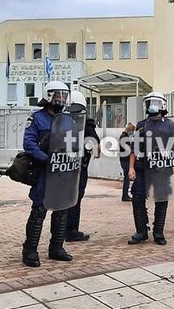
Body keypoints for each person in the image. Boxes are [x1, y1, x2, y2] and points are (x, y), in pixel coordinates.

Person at [21, 81, 74, 266]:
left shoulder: (68, 119)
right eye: (58, 95)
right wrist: (47, 159)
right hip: (44, 171)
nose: (61, 99)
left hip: (63, 172)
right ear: (49, 96)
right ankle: (30, 250)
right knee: (39, 211)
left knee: (61, 209)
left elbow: (74, 142)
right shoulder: (37, 118)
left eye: (64, 95)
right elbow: (29, 144)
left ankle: (57, 248)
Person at [128, 91, 174, 246]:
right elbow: (134, 148)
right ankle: (141, 231)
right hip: (142, 168)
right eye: (149, 103)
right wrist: (131, 167)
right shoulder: (141, 125)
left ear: (162, 105)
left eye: (155, 103)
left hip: (161, 170)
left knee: (161, 199)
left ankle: (158, 232)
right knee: (137, 198)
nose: (152, 106)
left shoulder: (170, 125)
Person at [65, 91, 100, 242]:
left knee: (71, 199)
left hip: (72, 167)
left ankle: (67, 231)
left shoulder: (83, 124)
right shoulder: (64, 122)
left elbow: (97, 148)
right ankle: (69, 231)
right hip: (72, 167)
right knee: (73, 199)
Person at [119, 122, 136, 202]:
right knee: (127, 178)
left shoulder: (125, 137)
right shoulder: (123, 137)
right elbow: (128, 150)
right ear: (129, 129)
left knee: (127, 178)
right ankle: (125, 195)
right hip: (125, 160)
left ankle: (126, 194)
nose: (132, 132)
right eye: (132, 130)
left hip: (125, 160)